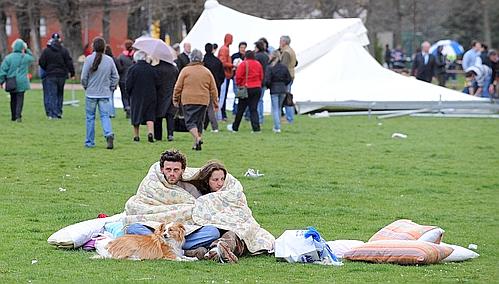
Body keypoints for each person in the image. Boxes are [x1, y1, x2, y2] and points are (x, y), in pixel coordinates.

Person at [125, 150, 222, 257]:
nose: (172, 173)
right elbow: (141, 202)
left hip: (182, 232)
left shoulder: (189, 188)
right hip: (157, 230)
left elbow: (199, 209)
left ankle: (173, 248)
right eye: (168, 169)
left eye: (176, 170)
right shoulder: (151, 185)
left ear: (182, 170)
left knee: (213, 232)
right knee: (133, 228)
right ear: (162, 169)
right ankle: (180, 250)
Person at [187, 161, 246, 262]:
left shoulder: (228, 194)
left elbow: (239, 213)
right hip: (208, 230)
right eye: (215, 180)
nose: (220, 183)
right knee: (213, 233)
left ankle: (216, 250)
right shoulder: (199, 196)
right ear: (207, 181)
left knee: (233, 234)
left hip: (228, 231)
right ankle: (212, 251)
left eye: (222, 179)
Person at [173, 49, 219, 151]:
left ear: (191, 58)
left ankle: (197, 138)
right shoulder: (207, 72)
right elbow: (213, 89)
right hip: (203, 100)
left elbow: (178, 86)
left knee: (189, 122)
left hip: (188, 100)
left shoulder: (185, 70)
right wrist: (215, 103)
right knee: (199, 122)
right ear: (201, 58)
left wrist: (175, 99)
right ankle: (196, 143)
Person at [80, 37, 119, 149]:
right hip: (105, 93)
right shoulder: (109, 60)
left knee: (90, 118)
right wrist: (111, 86)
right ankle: (108, 133)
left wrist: (86, 86)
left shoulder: (88, 59)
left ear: (93, 46)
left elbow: (83, 77)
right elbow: (115, 76)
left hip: (91, 93)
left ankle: (89, 141)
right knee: (105, 116)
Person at [38, 32, 76, 119]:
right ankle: (59, 111)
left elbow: (41, 62)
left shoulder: (46, 51)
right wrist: (72, 73)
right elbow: (69, 62)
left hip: (50, 75)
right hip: (62, 75)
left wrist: (47, 69)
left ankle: (52, 113)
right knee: (60, 94)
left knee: (52, 94)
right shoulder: (64, 51)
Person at [126, 50, 159, 143]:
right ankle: (150, 133)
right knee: (150, 115)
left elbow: (128, 84)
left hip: (136, 96)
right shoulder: (152, 69)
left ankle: (136, 136)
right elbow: (157, 82)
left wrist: (128, 93)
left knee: (136, 115)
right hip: (150, 95)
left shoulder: (132, 69)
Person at [227, 50, 263, 133]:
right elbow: (261, 76)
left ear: (245, 56)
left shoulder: (243, 64)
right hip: (257, 88)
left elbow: (238, 76)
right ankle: (256, 128)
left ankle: (235, 127)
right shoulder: (258, 64)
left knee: (241, 109)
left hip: (246, 88)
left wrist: (239, 85)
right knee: (253, 109)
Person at [0, 39, 34, 122]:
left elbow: (3, 70)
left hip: (11, 81)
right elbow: (32, 58)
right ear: (22, 47)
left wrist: (1, 81)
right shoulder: (25, 57)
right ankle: (18, 116)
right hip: (22, 81)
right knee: (20, 99)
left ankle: (13, 116)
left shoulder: (8, 57)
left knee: (13, 99)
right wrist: (26, 49)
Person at [265, 50, 292, 133]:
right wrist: (284, 84)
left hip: (274, 89)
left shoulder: (270, 67)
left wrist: (269, 86)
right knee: (279, 108)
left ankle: (277, 127)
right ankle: (277, 125)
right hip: (283, 89)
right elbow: (289, 78)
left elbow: (268, 80)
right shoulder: (284, 67)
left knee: (275, 109)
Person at [153, 57, 179, 142]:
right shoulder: (174, 69)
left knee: (158, 117)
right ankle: (170, 134)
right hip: (171, 94)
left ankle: (158, 136)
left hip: (159, 95)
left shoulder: (156, 69)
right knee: (170, 116)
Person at [202, 43, 224, 132]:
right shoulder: (217, 61)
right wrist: (218, 84)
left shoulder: (202, 62)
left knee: (204, 107)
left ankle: (208, 126)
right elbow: (222, 75)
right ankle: (207, 126)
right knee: (211, 106)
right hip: (215, 86)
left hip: (204, 86)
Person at [279, 35, 297, 124]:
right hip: (291, 74)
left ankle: (289, 118)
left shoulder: (286, 52)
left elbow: (283, 66)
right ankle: (289, 117)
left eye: (280, 41)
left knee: (287, 98)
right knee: (288, 96)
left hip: (287, 77)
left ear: (284, 42)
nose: (279, 43)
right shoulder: (291, 50)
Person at [115, 39, 135, 118]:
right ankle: (132, 107)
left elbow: (119, 69)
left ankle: (127, 107)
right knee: (132, 95)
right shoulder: (135, 56)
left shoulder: (121, 57)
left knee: (124, 95)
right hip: (133, 79)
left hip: (123, 79)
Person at [217, 33, 234, 121]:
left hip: (226, 74)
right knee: (222, 95)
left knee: (223, 95)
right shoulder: (225, 49)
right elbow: (222, 62)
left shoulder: (225, 49)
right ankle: (220, 115)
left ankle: (221, 114)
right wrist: (232, 65)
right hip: (224, 75)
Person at [230, 41, 247, 116]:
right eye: (241, 47)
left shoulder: (247, 57)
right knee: (237, 93)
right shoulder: (234, 56)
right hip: (236, 77)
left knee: (243, 94)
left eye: (244, 48)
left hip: (244, 78)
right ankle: (235, 109)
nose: (242, 49)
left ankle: (241, 110)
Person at [254, 40, 269, 125]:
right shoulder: (266, 56)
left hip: (257, 80)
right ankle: (261, 118)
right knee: (261, 100)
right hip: (264, 80)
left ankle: (258, 118)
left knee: (256, 101)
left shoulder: (257, 56)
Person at [104, 44, 118, 118]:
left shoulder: (105, 60)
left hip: (106, 81)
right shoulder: (114, 59)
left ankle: (108, 112)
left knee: (107, 98)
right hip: (112, 81)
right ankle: (112, 112)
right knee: (111, 97)